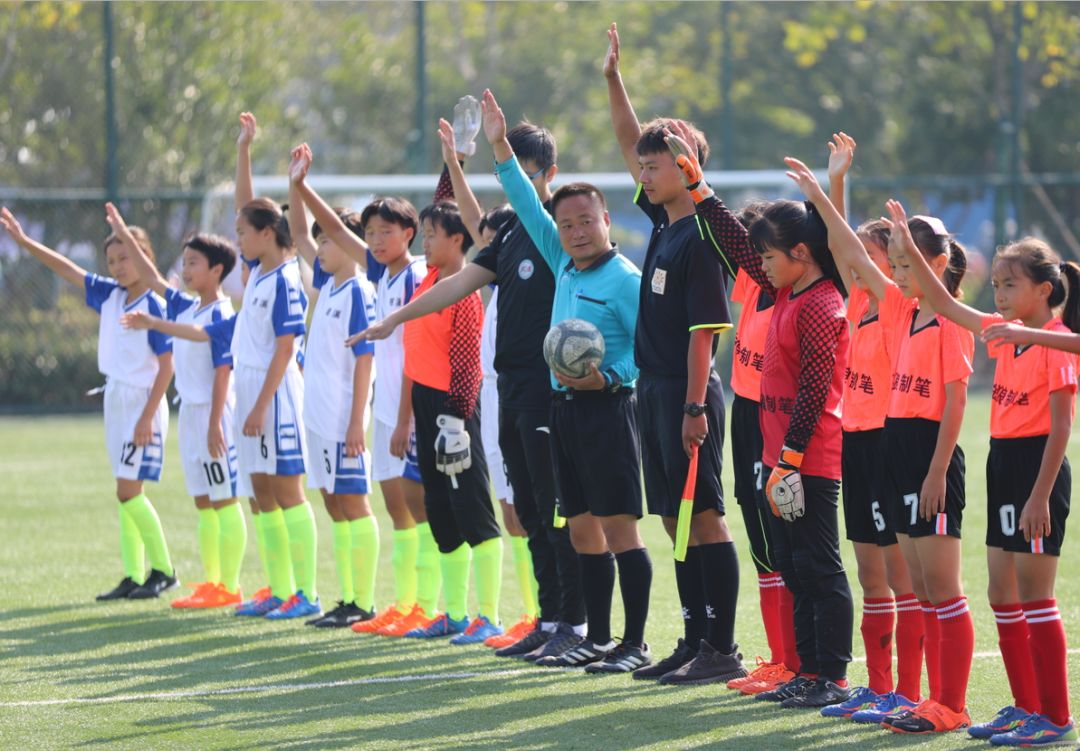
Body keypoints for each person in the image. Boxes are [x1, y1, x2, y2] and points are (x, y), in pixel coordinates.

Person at [359, 114, 586, 662]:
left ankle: (572, 625)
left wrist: (493, 144)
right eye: (508, 171)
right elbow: (468, 243)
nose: (515, 183)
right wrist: (396, 319)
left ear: (548, 174)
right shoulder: (505, 233)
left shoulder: (558, 233)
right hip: (507, 386)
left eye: (525, 173)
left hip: (545, 388)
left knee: (551, 511)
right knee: (528, 510)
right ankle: (548, 617)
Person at [784, 156, 974, 733]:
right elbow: (850, 253)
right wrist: (824, 192)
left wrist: (830, 190)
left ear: (932, 265)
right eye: (890, 263)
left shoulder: (945, 320)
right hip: (884, 450)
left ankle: (943, 700)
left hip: (923, 456)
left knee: (935, 588)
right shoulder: (897, 312)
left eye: (901, 263)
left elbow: (957, 402)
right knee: (910, 584)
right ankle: (908, 694)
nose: (885, 271)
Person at [668, 137, 854, 708]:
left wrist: (791, 461)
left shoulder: (823, 303)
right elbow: (734, 244)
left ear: (800, 252)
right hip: (782, 459)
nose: (760, 265)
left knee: (820, 566)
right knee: (795, 566)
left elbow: (815, 391)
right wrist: (699, 188)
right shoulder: (782, 292)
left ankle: (832, 676)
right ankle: (805, 670)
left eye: (770, 256)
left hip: (808, 459)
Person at [480, 90, 652, 673]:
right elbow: (523, 198)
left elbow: (647, 352)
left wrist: (605, 377)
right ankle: (596, 638)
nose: (576, 231)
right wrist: (499, 143)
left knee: (619, 531)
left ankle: (634, 643)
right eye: (568, 223)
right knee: (580, 529)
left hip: (608, 410)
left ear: (608, 221)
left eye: (587, 221)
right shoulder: (561, 262)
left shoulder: (625, 277)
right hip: (562, 412)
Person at [897, 221, 1078, 746]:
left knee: (1037, 596)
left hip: (1036, 469)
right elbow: (950, 306)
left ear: (1043, 290)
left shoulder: (1057, 341)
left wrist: (1040, 495)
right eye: (995, 285)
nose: (998, 295)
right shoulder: (1005, 336)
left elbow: (1062, 426)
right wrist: (910, 252)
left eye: (1009, 285)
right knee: (1002, 591)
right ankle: (1025, 706)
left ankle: (1056, 717)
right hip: (1003, 462)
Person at [605, 24, 744, 685]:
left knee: (706, 517)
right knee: (672, 517)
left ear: (688, 169)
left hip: (688, 392)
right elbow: (634, 140)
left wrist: (694, 406)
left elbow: (703, 334)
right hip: (653, 390)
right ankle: (692, 638)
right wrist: (613, 81)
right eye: (644, 165)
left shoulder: (703, 241)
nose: (643, 170)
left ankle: (721, 645)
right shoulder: (664, 223)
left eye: (656, 165)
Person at [0, 207, 178, 601]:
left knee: (128, 491)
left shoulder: (156, 303)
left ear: (143, 254)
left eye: (124, 257)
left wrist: (147, 416)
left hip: (142, 403)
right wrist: (25, 243)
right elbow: (65, 269)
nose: (116, 267)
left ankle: (164, 570)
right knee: (124, 490)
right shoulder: (111, 295)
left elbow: (167, 368)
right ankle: (134, 574)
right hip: (116, 398)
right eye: (111, 260)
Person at [291, 160, 436, 638]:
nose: (375, 240)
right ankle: (391, 603)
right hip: (378, 412)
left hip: (400, 411)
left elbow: (410, 348)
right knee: (395, 508)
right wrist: (300, 186)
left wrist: (400, 416)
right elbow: (319, 230)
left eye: (384, 231)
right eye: (369, 232)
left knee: (413, 509)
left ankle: (424, 605)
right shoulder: (379, 278)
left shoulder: (412, 276)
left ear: (410, 233)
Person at [809, 137, 922, 723]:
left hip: (887, 442)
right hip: (854, 439)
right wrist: (834, 184)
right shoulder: (858, 302)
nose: (859, 263)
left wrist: (832, 191)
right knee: (871, 575)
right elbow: (840, 245)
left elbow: (844, 242)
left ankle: (906, 690)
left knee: (901, 579)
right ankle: (879, 688)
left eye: (874, 257)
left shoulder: (898, 300)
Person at [113, 203, 247, 609]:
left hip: (213, 413)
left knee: (224, 498)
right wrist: (122, 228)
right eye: (185, 263)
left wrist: (214, 426)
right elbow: (153, 278)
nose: (186, 271)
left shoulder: (223, 315)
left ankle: (231, 585)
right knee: (204, 501)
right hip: (189, 411)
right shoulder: (187, 305)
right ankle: (211, 582)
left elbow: (223, 371)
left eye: (194, 264)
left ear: (217, 271)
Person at [287, 147, 380, 629]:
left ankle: (362, 600)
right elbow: (299, 232)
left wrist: (355, 422)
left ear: (350, 244)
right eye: (320, 243)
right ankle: (345, 598)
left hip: (345, 417)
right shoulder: (327, 283)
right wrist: (295, 183)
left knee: (353, 501)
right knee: (331, 501)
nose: (319, 249)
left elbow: (365, 359)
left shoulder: (361, 290)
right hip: (317, 414)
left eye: (329, 241)